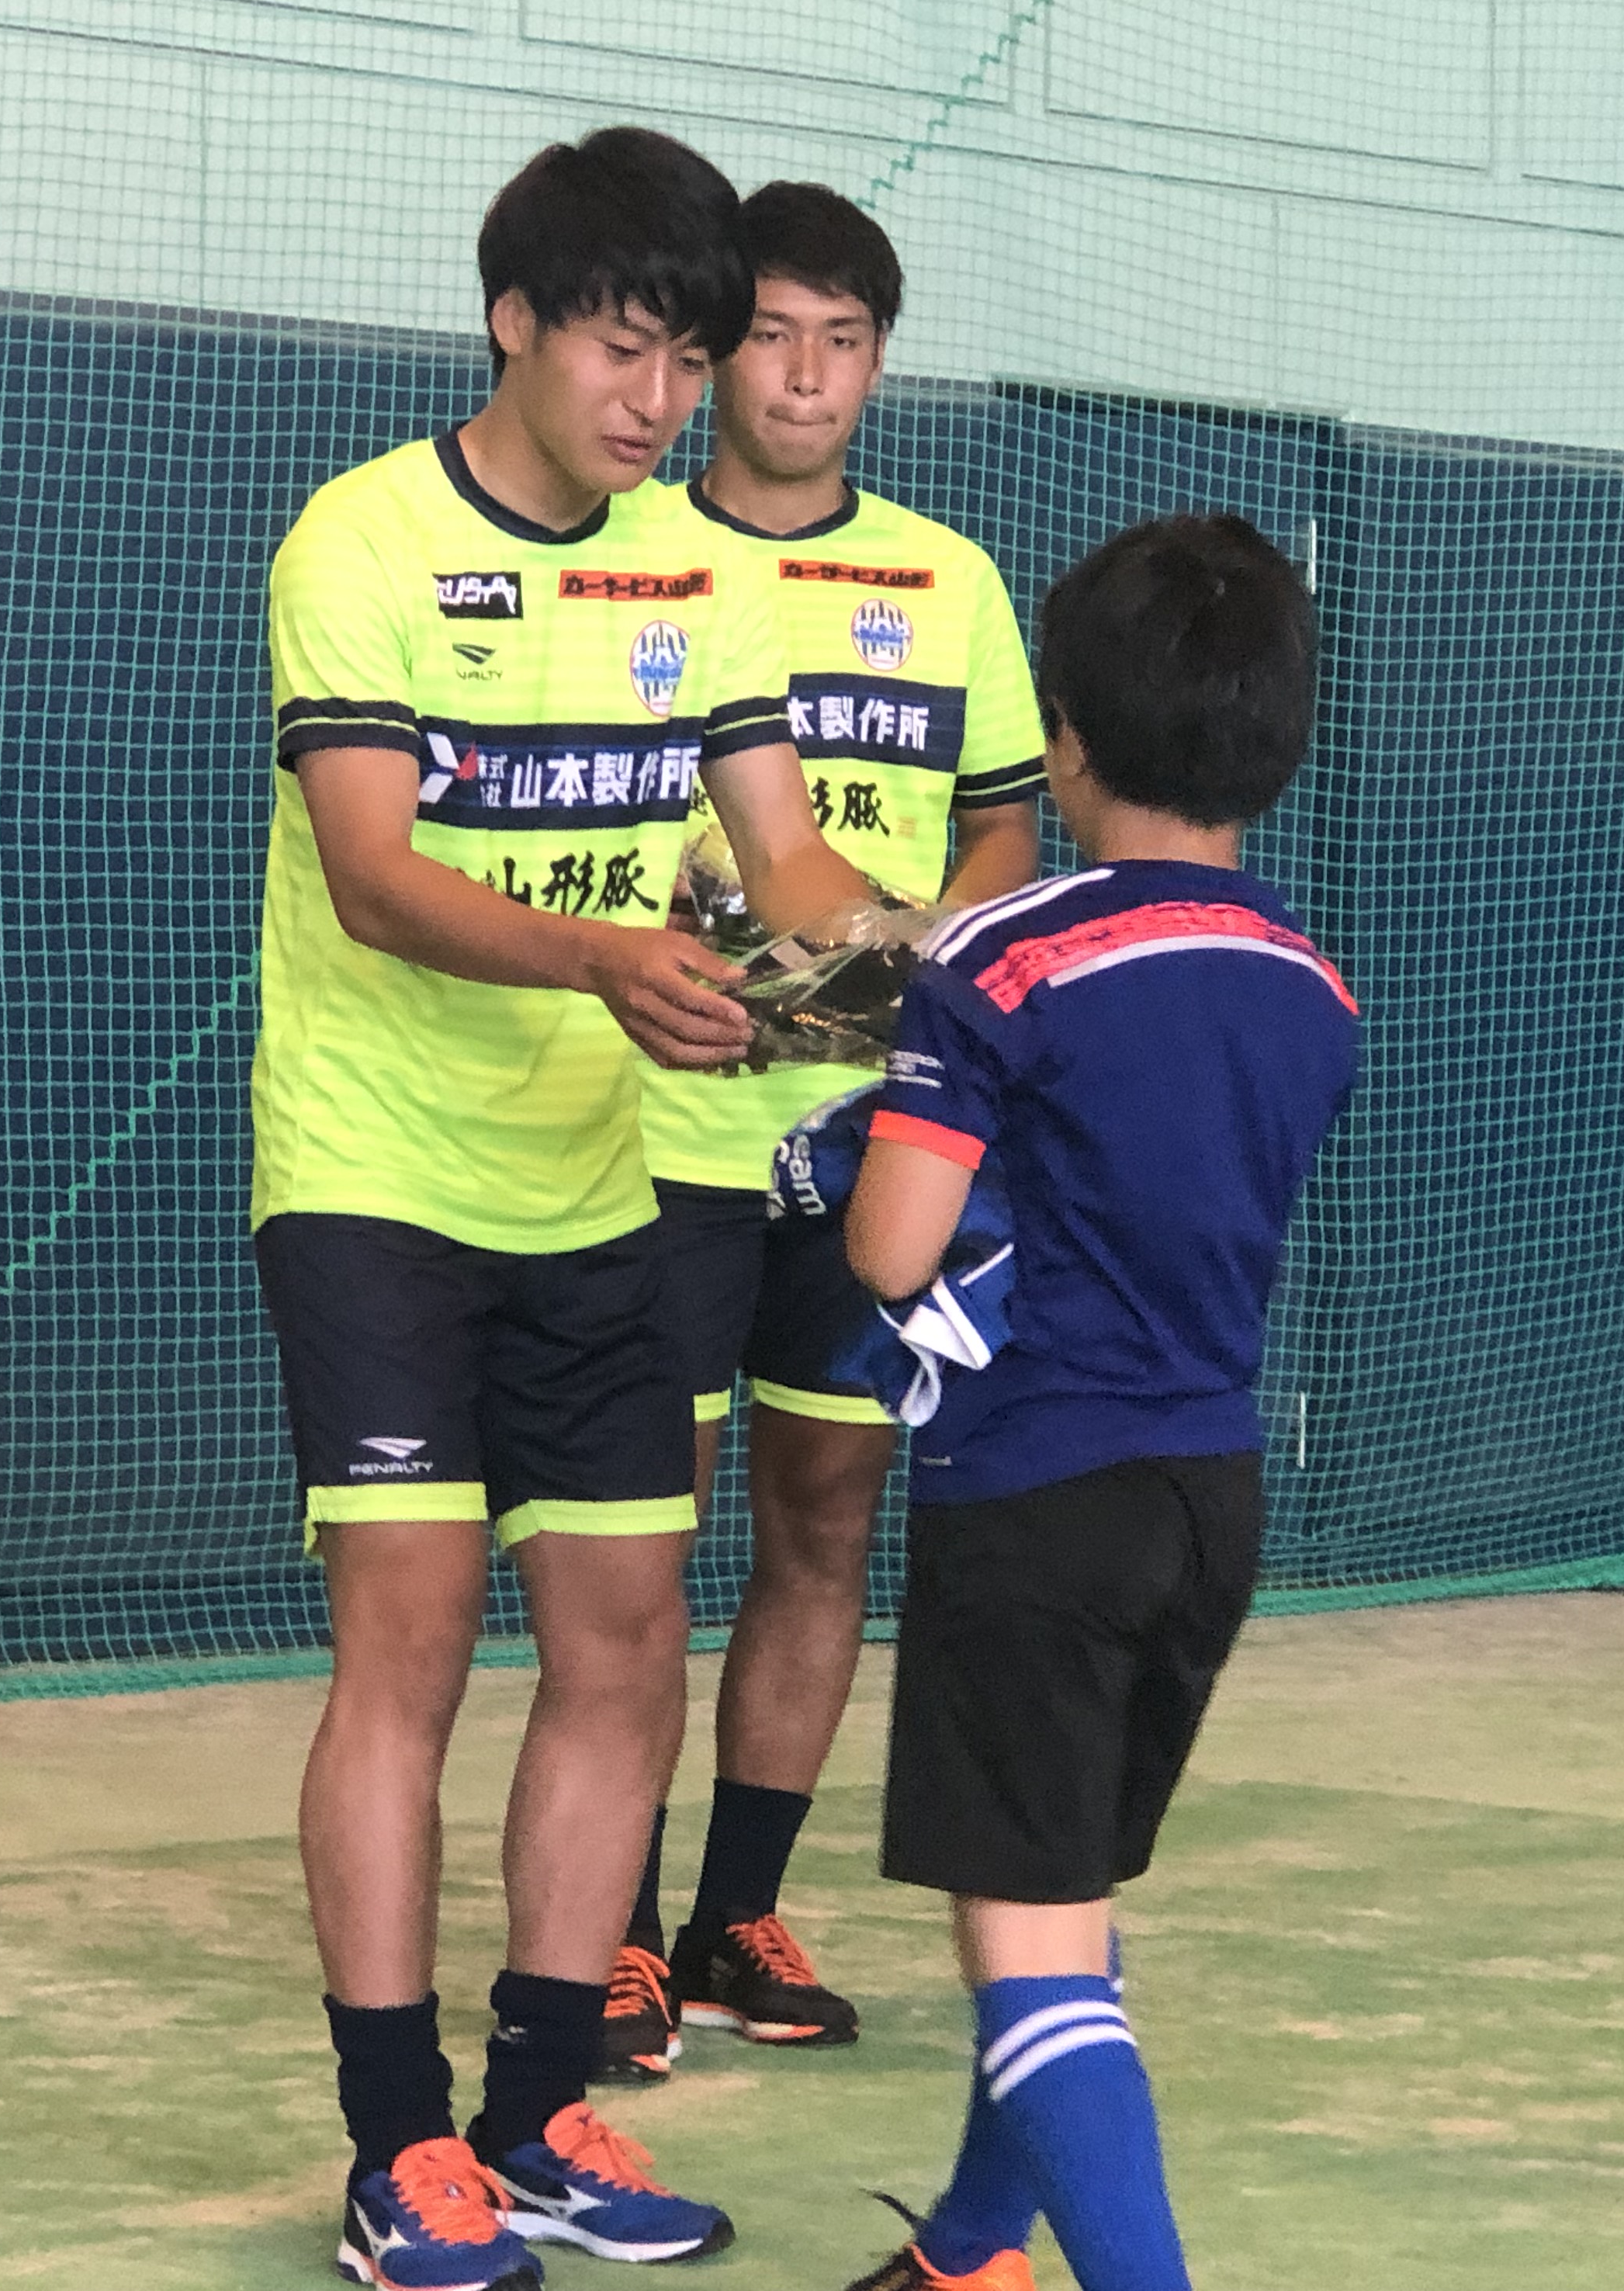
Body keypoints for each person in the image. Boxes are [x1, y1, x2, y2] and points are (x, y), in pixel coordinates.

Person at [257, 127, 869, 2291]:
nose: (659, 400)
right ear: (511, 323)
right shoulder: (363, 539)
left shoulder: (702, 576)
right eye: (623, 348)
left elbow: (789, 864)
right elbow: (374, 873)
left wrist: (940, 992)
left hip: (596, 1187)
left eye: (687, 360)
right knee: (411, 1645)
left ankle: (533, 2121)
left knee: (622, 1645)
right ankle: (394, 2149)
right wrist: (613, 959)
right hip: (374, 1181)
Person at [835, 515, 1356, 2291]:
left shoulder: (995, 958)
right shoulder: (1311, 984)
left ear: (1065, 738)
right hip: (1211, 1495)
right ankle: (973, 2249)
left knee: (1032, 1945)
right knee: (1054, 1895)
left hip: (1039, 1497)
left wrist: (848, 1150)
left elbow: (895, 1250)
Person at [602, 182, 1045, 2084]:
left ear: (878, 362)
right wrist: (785, 958)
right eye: (773, 336)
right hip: (655, 1138)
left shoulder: (949, 581)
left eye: (843, 341)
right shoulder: (627, 553)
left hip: (872, 1149)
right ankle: (607, 1934)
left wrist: (904, 964)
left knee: (825, 1520)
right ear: (716, 359)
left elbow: (1007, 826)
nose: (805, 375)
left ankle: (733, 1918)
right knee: (633, 1549)